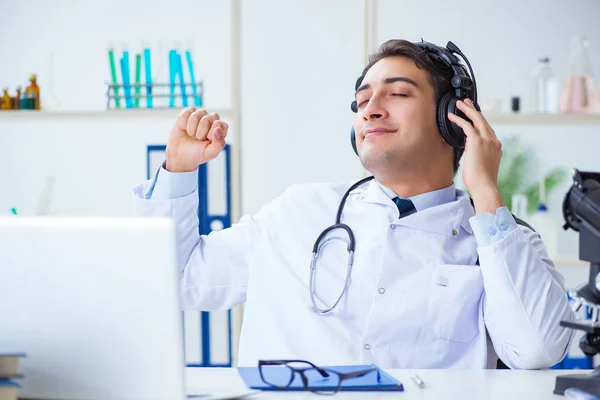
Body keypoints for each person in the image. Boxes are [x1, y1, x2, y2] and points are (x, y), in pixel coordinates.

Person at [133, 39, 574, 369]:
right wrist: (178, 171)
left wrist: (485, 192)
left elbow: (536, 350)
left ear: (452, 120)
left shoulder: (501, 239)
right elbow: (178, 279)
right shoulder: (296, 211)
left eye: (397, 94)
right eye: (362, 100)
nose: (371, 110)